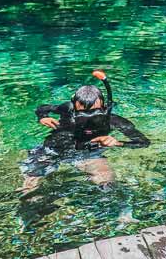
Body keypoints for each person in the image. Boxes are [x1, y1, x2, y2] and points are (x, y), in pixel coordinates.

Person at [21, 70, 149, 193]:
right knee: (29, 188)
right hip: (51, 150)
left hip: (89, 154)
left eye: (95, 112)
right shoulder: (67, 109)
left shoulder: (112, 120)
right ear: (74, 106)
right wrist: (42, 117)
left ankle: (121, 214)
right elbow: (43, 108)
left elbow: (143, 142)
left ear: (104, 107)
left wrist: (118, 143)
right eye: (81, 113)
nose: (88, 117)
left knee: (106, 184)